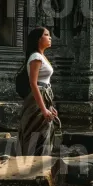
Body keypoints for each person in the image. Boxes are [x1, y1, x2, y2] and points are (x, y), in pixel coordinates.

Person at [17, 27, 59, 156]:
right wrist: (43, 109)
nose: (50, 37)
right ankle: (32, 166)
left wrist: (50, 107)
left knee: (44, 131)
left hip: (45, 96)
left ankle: (40, 165)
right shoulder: (35, 57)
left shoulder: (42, 56)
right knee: (35, 131)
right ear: (38, 39)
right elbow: (33, 84)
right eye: (46, 35)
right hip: (36, 98)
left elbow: (45, 82)